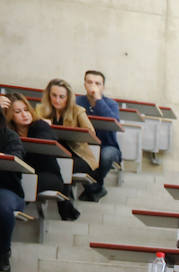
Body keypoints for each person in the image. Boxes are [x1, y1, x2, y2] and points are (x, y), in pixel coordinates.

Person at [3, 94, 80, 222]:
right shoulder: (8, 134)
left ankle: (11, 213)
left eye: (26, 109)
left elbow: (45, 139)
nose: (24, 114)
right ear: (9, 115)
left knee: (26, 182)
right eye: (18, 111)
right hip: (25, 175)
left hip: (50, 177)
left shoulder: (40, 125)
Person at [33, 78, 99, 197]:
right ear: (48, 95)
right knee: (47, 163)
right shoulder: (40, 110)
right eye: (54, 95)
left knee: (62, 165)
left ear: (68, 98)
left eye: (61, 96)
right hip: (53, 154)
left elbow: (91, 133)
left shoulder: (77, 111)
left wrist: (70, 133)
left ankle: (65, 199)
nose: (57, 100)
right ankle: (65, 201)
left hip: (77, 154)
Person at [76, 69, 121, 199]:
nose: (93, 86)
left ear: (103, 87)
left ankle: (93, 187)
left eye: (97, 83)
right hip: (82, 145)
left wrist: (98, 101)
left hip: (108, 145)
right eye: (89, 82)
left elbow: (114, 124)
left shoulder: (111, 104)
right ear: (84, 84)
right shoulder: (77, 102)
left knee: (106, 156)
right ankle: (95, 188)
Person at [0, 103, 23, 271]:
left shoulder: (11, 137)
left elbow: (15, 159)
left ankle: (3, 252)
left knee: (3, 205)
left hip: (8, 189)